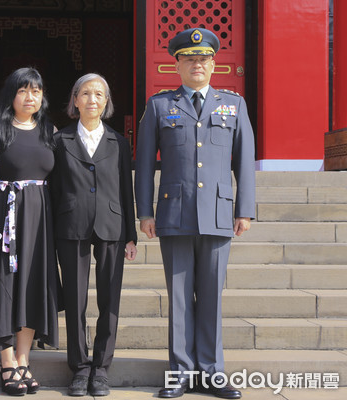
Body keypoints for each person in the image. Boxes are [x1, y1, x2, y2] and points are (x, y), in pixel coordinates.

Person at [134, 28, 255, 399]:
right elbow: (143, 163)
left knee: (212, 295)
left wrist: (244, 209)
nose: (196, 64)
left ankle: (212, 371)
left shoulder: (233, 105)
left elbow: (245, 161)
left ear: (214, 64)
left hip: (218, 214)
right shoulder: (159, 106)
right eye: (189, 59)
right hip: (174, 213)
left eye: (203, 59)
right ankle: (181, 372)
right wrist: (144, 212)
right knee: (180, 296)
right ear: (177, 65)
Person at [0, 67, 60, 396]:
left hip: (39, 217)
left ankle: (24, 359)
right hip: (3, 213)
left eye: (36, 91)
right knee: (5, 284)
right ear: (12, 93)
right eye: (23, 90)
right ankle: (6, 361)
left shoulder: (49, 129)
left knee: (32, 285)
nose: (30, 96)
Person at [51, 73, 137, 397]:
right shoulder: (60, 141)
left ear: (106, 102)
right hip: (71, 224)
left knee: (108, 300)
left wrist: (131, 234)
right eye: (85, 93)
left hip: (111, 225)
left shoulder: (118, 141)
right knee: (75, 299)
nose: (91, 99)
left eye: (98, 94)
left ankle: (101, 367)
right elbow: (54, 190)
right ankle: (80, 366)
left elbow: (125, 189)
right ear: (75, 100)